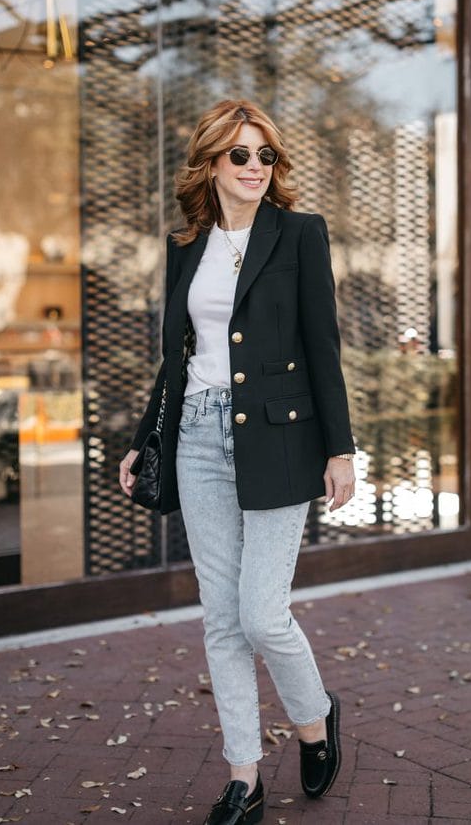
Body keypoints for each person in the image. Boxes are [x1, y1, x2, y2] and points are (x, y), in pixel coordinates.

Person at [119, 99, 355, 825]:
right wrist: (143, 436)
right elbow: (176, 358)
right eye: (241, 156)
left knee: (261, 614)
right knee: (220, 618)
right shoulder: (186, 245)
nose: (257, 168)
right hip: (195, 435)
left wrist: (341, 448)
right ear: (211, 164)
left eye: (266, 156)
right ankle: (244, 779)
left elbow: (323, 346)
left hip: (281, 437)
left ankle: (314, 718)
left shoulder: (300, 235)